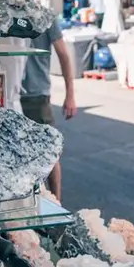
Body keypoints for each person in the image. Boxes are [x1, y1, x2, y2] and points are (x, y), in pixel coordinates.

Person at [20, 21, 77, 199]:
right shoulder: (3, 14)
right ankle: (31, 202)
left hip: (37, 95)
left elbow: (64, 56)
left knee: (48, 152)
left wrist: (70, 95)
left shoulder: (43, 17)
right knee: (21, 153)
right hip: (10, 93)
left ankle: (56, 203)